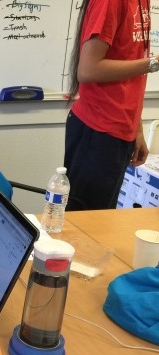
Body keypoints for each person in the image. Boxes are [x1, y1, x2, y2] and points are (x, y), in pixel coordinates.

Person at [64, 0, 151, 211]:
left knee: (102, 218)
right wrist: (154, 63)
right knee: (84, 226)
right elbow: (88, 69)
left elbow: (128, 63)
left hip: (120, 129)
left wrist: (136, 127)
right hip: (97, 130)